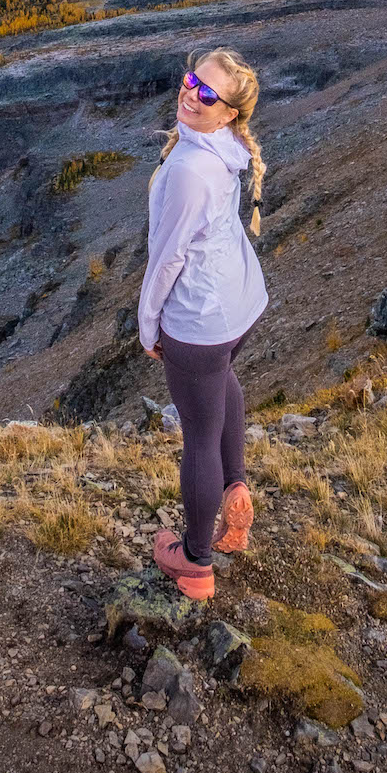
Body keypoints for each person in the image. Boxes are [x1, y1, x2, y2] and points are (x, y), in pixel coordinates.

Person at [137, 46, 268, 601]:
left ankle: (194, 563)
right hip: (238, 306)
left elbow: (167, 257)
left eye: (207, 93)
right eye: (193, 81)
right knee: (223, 387)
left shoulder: (190, 167)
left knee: (197, 438)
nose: (192, 94)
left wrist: (149, 326)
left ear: (229, 112)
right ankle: (235, 492)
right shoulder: (224, 147)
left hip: (199, 320)